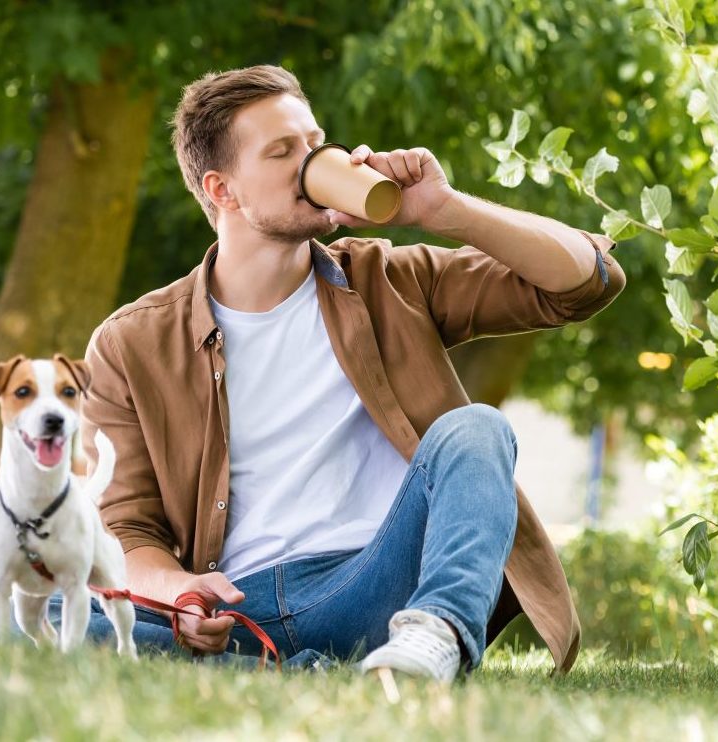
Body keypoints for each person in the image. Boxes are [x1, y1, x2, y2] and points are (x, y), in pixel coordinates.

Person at [51, 64, 624, 683]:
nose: (315, 160)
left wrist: (446, 210)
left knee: (476, 430)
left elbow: (586, 281)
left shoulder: (391, 279)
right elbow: (127, 527)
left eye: (314, 141)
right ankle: (294, 665)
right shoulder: (131, 342)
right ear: (222, 190)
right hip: (238, 606)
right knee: (45, 611)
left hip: (373, 586)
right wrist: (182, 595)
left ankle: (435, 637)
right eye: (282, 151)